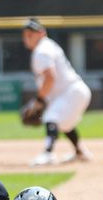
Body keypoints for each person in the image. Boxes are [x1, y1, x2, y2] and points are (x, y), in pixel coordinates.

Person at [22, 18, 92, 166]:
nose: (27, 38)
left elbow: (50, 77)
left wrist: (39, 100)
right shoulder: (48, 46)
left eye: (31, 34)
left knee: (51, 117)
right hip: (74, 91)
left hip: (72, 92)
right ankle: (80, 151)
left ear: (42, 33)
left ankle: (48, 153)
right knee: (65, 124)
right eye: (26, 34)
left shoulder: (41, 51)